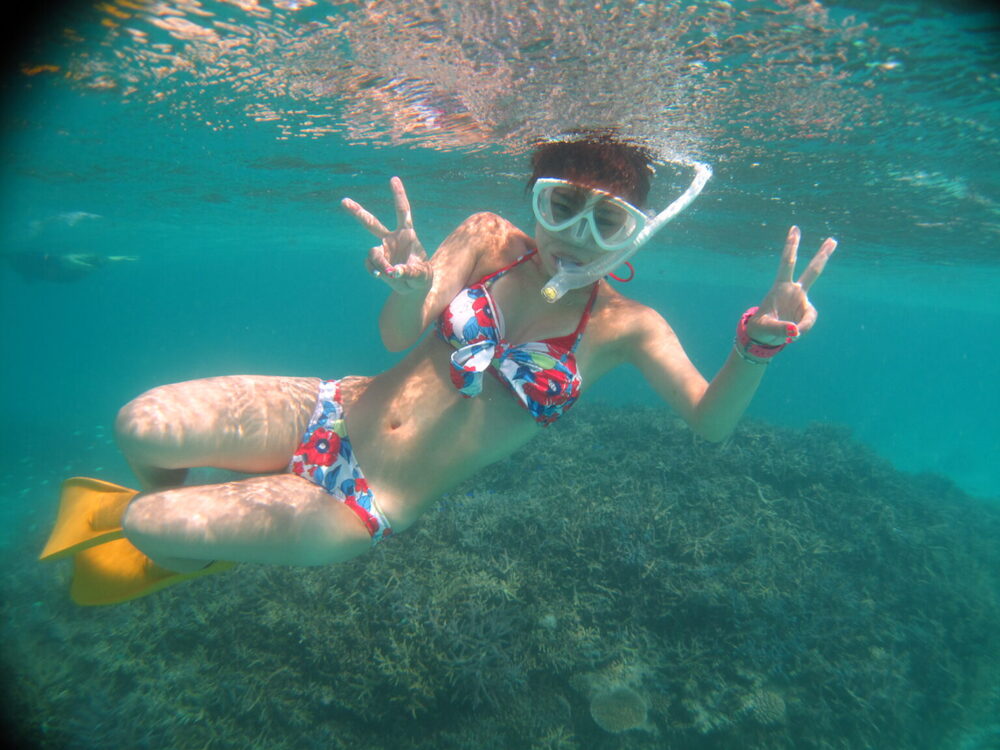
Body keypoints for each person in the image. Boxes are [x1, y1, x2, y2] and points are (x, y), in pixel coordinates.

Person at [40, 136, 836, 605]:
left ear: (637, 231)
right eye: (561, 207)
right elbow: (397, 338)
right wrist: (408, 291)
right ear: (535, 200)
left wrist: (755, 348)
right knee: (140, 423)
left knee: (144, 524)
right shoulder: (488, 239)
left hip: (360, 503)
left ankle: (180, 552)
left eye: (609, 221)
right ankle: (221, 506)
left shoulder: (629, 327)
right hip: (330, 407)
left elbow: (710, 423)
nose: (578, 236)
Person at [2, 251, 136, 283]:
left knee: (67, 261)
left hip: (59, 271)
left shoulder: (21, 265)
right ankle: (114, 259)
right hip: (61, 273)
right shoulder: (20, 265)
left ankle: (115, 259)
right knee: (95, 263)